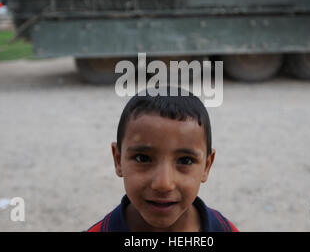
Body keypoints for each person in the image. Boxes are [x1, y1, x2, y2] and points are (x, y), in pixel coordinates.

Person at [87, 87, 238, 232]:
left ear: (206, 166)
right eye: (142, 158)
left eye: (185, 161)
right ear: (118, 160)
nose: (163, 184)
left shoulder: (224, 229)